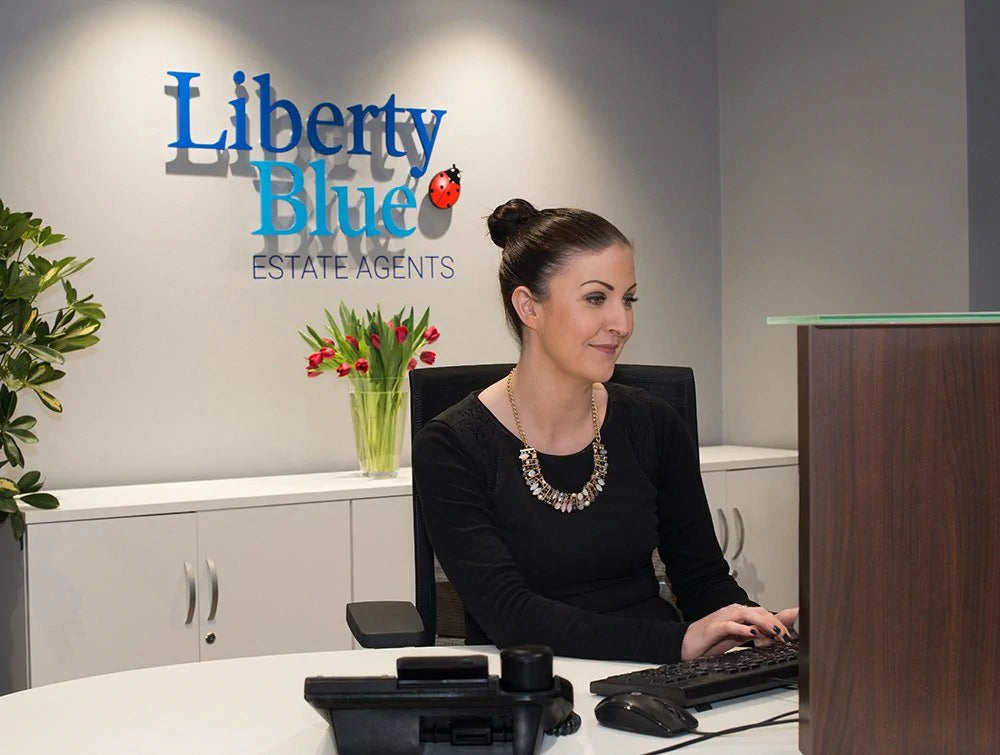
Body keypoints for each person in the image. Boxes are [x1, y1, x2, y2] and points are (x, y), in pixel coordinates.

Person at [411, 198, 798, 663]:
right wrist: (678, 643)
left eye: (628, 298)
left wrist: (759, 628)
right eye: (597, 298)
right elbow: (510, 617)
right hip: (531, 689)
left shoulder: (653, 424)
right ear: (528, 307)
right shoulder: (452, 445)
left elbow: (702, 580)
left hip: (661, 678)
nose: (622, 323)